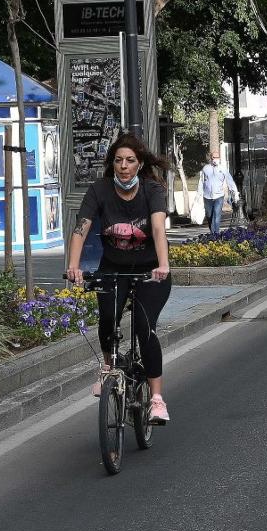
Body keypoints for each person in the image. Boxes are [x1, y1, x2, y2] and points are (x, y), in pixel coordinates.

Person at [66, 133, 172, 424]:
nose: (124, 166)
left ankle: (156, 399)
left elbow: (159, 230)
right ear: (112, 163)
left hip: (151, 270)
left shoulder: (152, 190)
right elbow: (80, 228)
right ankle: (109, 367)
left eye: (130, 161)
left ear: (139, 164)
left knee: (144, 327)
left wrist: (163, 264)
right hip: (113, 268)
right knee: (107, 317)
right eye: (118, 160)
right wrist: (73, 266)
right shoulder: (99, 190)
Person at [200, 151, 237, 235]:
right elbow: (201, 182)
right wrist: (199, 195)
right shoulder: (206, 168)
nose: (215, 159)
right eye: (214, 157)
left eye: (217, 157)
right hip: (207, 196)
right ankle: (212, 230)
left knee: (217, 215)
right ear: (211, 158)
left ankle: (215, 234)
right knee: (209, 215)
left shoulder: (223, 169)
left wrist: (235, 191)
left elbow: (229, 180)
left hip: (219, 196)